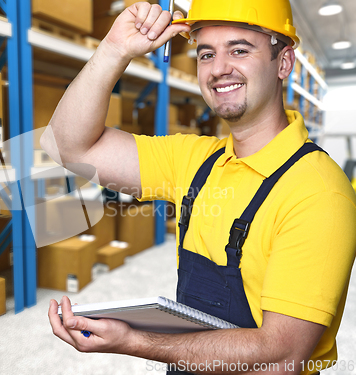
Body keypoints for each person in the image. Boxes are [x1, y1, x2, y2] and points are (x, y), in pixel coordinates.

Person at [44, 0, 356, 373]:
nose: (219, 69)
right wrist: (114, 49)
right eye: (206, 54)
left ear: (284, 63)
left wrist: (135, 342)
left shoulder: (318, 192)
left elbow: (281, 358)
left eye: (239, 49)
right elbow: (70, 147)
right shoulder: (194, 160)